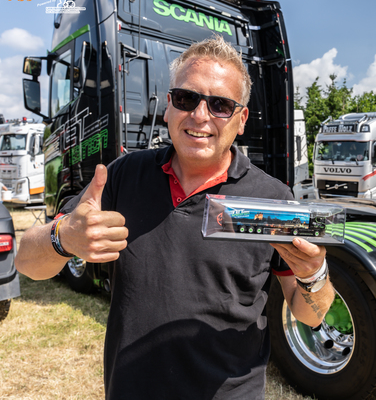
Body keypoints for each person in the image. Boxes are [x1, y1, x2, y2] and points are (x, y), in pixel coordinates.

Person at [15, 35, 335, 400]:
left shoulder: (274, 200)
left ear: (242, 119)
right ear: (168, 107)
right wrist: (63, 237)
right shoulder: (123, 177)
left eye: (220, 105)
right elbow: (27, 262)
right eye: (186, 99)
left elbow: (311, 315)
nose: (200, 116)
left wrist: (314, 275)